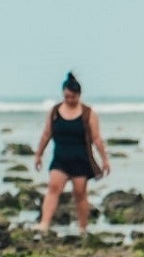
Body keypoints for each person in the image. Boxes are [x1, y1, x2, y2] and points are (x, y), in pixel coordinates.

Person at [32, 72, 111, 232]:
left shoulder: (88, 113)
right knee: (53, 188)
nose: (69, 100)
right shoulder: (54, 111)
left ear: (79, 95)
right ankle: (44, 223)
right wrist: (38, 154)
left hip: (80, 159)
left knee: (80, 194)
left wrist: (105, 160)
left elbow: (96, 138)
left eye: (73, 97)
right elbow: (47, 134)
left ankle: (83, 227)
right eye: (67, 96)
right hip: (60, 158)